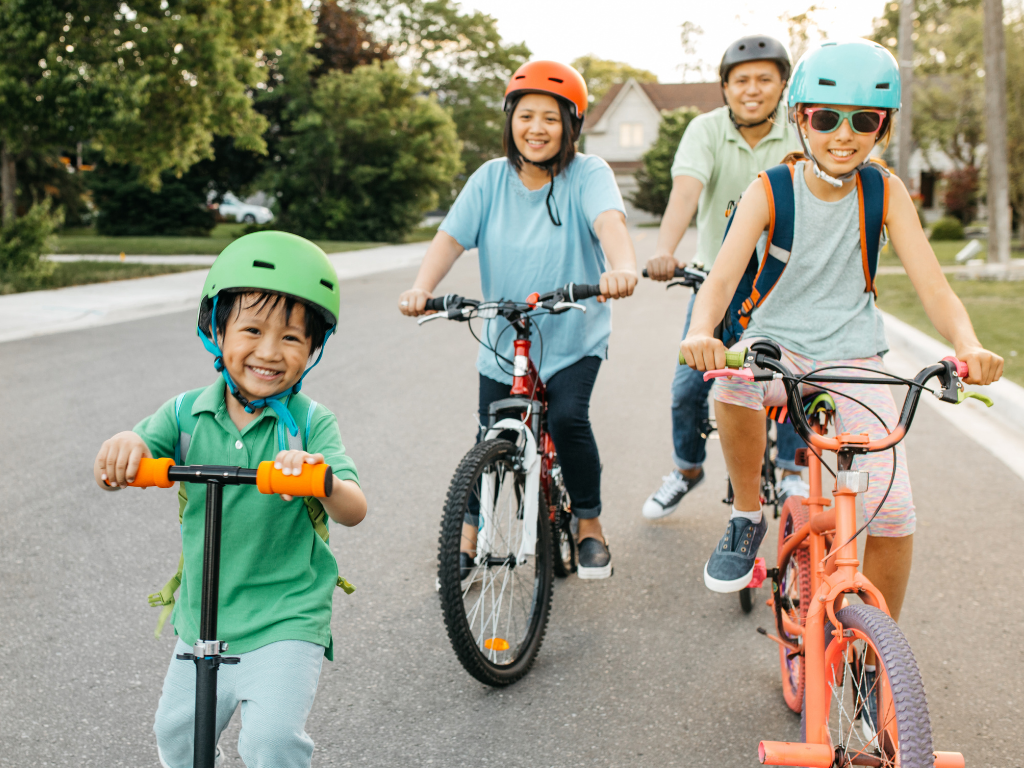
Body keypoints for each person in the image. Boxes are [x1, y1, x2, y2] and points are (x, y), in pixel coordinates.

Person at [678, 40, 1003, 615]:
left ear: (884, 125)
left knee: (895, 512)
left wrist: (968, 344)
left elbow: (934, 287)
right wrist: (704, 332)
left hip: (854, 358)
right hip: (776, 345)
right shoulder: (770, 189)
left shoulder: (885, 191)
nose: (844, 134)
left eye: (865, 120)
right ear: (800, 118)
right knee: (734, 379)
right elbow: (722, 282)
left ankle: (875, 657)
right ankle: (747, 514)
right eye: (826, 118)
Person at [93, 232, 367, 768]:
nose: (269, 352)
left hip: (285, 616)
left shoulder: (310, 424)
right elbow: (136, 452)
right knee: (177, 736)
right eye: (251, 330)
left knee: (271, 742)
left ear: (313, 349)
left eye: (291, 338)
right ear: (215, 331)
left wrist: (321, 477)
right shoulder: (184, 413)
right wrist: (127, 447)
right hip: (203, 617)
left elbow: (354, 507)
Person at [398, 60, 637, 579]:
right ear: (509, 121)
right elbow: (450, 238)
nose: (536, 128)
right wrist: (423, 287)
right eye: (525, 115)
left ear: (571, 126)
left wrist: (621, 267)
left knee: (570, 419)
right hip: (505, 337)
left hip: (574, 331)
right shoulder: (489, 178)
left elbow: (609, 221)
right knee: (491, 435)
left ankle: (590, 526)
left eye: (551, 118)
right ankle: (465, 538)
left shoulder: (588, 174)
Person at [642, 35, 809, 520]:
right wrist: (664, 251)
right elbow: (686, 191)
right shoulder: (706, 130)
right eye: (741, 80)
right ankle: (687, 469)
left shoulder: (800, 131)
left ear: (783, 85)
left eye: (764, 79)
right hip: (720, 278)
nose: (752, 89)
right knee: (688, 387)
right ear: (725, 87)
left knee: (794, 378)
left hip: (788, 279)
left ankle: (793, 469)